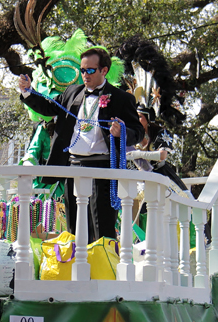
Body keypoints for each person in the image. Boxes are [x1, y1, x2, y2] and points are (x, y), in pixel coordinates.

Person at [18, 47, 144, 241]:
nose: (85, 75)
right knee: (74, 227)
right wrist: (28, 92)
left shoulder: (121, 98)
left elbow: (139, 132)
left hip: (102, 169)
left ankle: (101, 269)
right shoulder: (72, 92)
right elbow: (49, 107)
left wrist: (122, 132)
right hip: (73, 167)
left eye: (90, 70)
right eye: (82, 70)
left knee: (101, 227)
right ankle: (76, 268)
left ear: (104, 71)